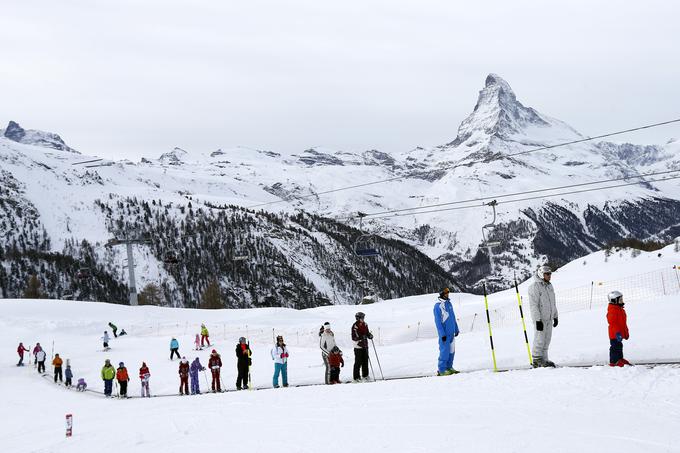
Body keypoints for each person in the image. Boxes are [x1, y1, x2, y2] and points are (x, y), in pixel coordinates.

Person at [528, 265, 559, 368]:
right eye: (547, 274)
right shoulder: (534, 287)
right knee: (539, 339)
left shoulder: (550, 286)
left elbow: (552, 303)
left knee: (547, 340)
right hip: (540, 319)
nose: (549, 276)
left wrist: (555, 316)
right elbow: (533, 305)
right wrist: (537, 320)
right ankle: (537, 360)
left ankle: (544, 360)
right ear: (541, 274)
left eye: (550, 274)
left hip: (549, 318)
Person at [433, 287, 460, 376]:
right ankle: (442, 370)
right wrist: (442, 334)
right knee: (444, 351)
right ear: (441, 294)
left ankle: (449, 367)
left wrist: (456, 329)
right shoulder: (438, 306)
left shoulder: (449, 304)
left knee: (452, 351)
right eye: (446, 293)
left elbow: (453, 317)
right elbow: (438, 322)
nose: (447, 294)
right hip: (445, 335)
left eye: (448, 293)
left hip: (451, 333)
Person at [607, 291, 631, 367]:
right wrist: (617, 333)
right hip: (614, 334)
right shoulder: (613, 310)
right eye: (620, 299)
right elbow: (613, 323)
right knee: (615, 347)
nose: (622, 301)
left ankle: (620, 359)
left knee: (619, 346)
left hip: (619, 333)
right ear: (614, 300)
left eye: (622, 299)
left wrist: (625, 332)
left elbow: (623, 323)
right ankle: (614, 362)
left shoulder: (620, 309)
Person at [351, 312, 373, 382]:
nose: (363, 319)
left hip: (365, 345)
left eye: (363, 317)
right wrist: (361, 337)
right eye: (362, 317)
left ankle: (365, 376)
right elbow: (353, 337)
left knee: (365, 361)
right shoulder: (355, 326)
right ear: (358, 318)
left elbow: (367, 333)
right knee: (358, 362)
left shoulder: (365, 324)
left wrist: (369, 335)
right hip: (358, 346)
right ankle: (356, 378)